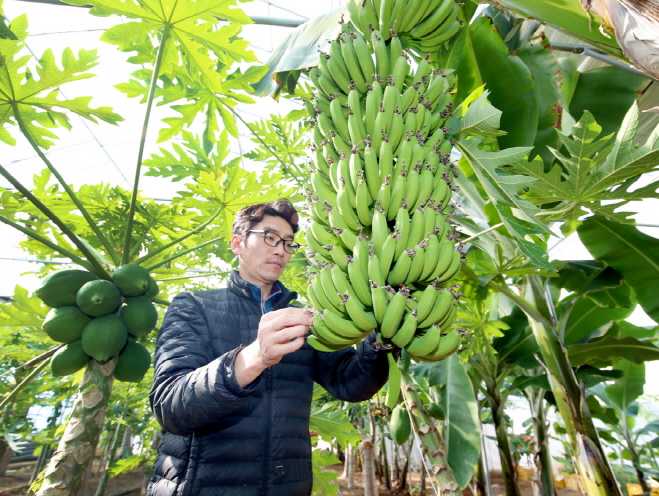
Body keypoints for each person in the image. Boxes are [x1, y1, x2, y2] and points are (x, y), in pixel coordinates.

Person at [148, 199, 390, 496]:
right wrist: (254, 357)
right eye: (269, 238)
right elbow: (170, 406)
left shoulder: (303, 316)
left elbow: (349, 384)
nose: (280, 250)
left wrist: (380, 340)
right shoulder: (194, 306)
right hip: (201, 486)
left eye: (288, 243)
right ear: (237, 243)